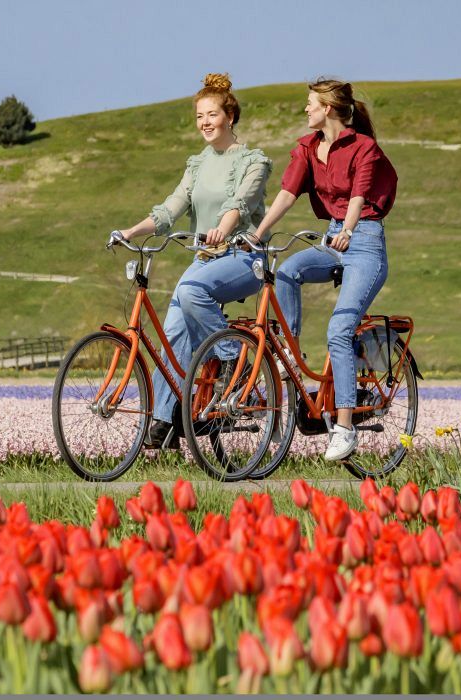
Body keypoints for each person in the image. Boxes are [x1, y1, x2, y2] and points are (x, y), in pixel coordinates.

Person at [114, 73, 272, 449]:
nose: (205, 122)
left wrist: (222, 228)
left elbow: (240, 204)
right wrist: (131, 231)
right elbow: (171, 207)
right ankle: (166, 422)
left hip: (244, 257)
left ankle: (234, 361)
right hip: (205, 257)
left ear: (229, 116)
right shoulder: (197, 164)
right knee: (172, 332)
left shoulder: (254, 161)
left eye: (212, 114)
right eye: (200, 115)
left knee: (190, 290)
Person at [251, 78, 398, 461]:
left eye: (311, 104)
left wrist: (348, 230)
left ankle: (345, 428)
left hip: (363, 243)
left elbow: (359, 195)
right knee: (286, 272)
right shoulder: (307, 147)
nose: (306, 110)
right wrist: (259, 234)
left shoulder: (364, 147)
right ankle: (290, 356)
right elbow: (286, 194)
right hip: (332, 239)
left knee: (339, 328)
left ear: (328, 108)